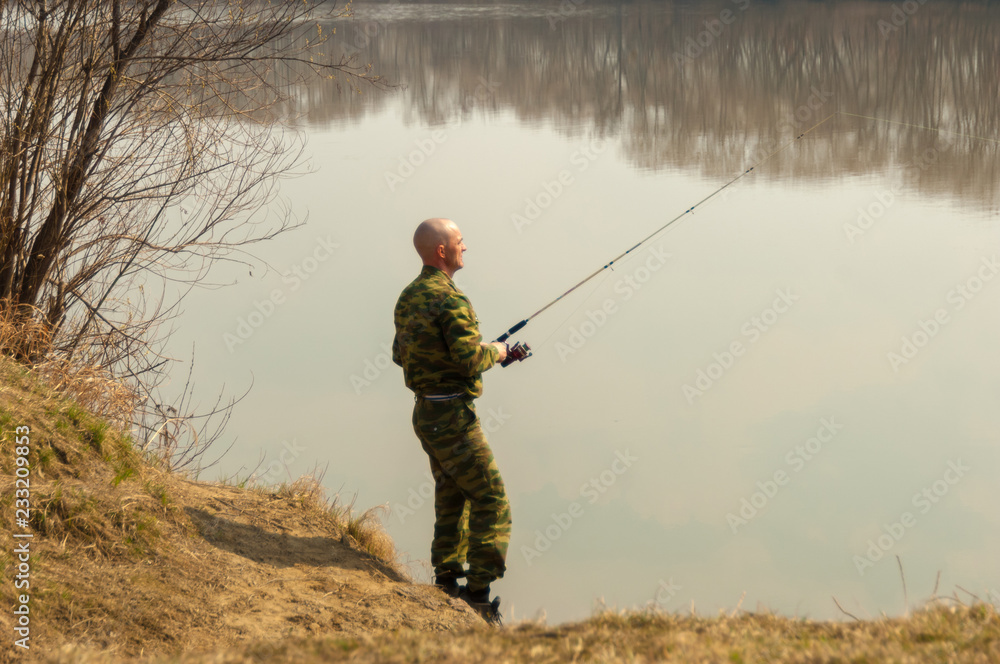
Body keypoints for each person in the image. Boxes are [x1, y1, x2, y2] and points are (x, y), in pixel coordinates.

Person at [392, 217, 511, 625]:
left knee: (452, 492)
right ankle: (478, 593)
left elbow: (399, 354)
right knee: (491, 499)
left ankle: (446, 579)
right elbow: (468, 358)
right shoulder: (451, 300)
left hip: (425, 412)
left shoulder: (408, 296)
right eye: (460, 242)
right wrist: (495, 350)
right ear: (441, 250)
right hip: (452, 416)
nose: (465, 247)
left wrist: (476, 352)